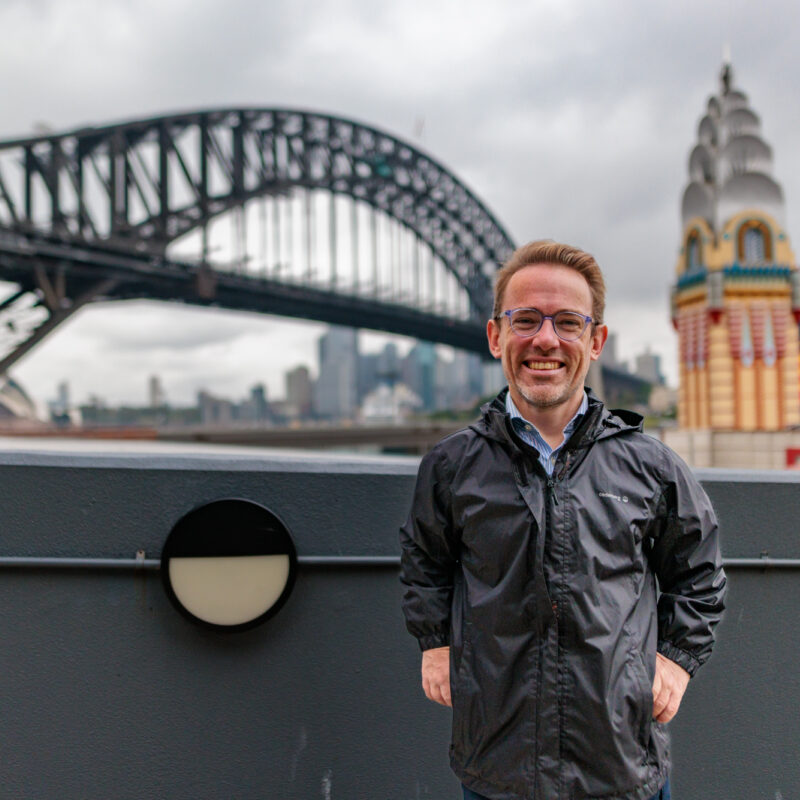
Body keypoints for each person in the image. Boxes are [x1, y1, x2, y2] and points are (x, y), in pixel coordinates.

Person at [399, 240, 726, 800]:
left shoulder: (650, 464)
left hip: (621, 761)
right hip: (496, 761)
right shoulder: (451, 466)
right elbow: (424, 559)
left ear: (595, 341)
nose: (545, 339)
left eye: (568, 322)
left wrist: (677, 661)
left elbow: (700, 570)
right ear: (496, 336)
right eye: (525, 319)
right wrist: (434, 643)